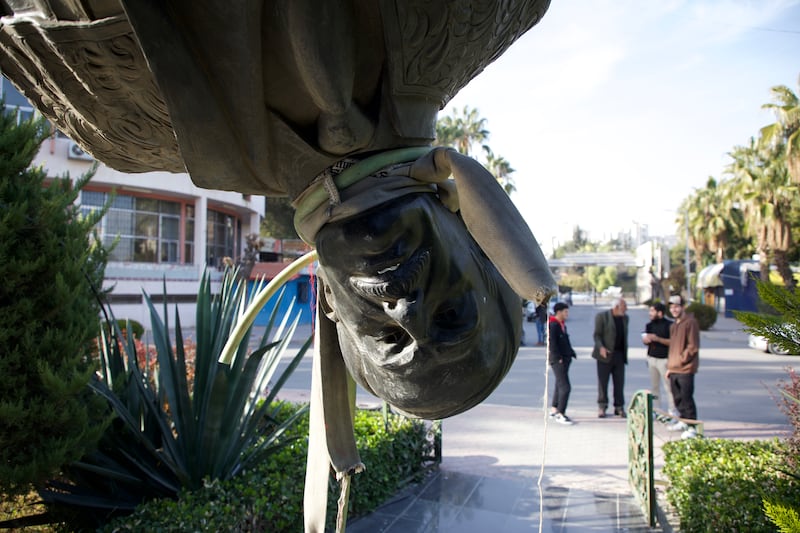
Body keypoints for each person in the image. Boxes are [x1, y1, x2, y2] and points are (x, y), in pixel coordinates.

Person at [665, 295, 701, 439]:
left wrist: (681, 360)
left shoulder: (690, 323)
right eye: (671, 307)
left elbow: (693, 347)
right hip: (673, 368)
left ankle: (692, 427)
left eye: (676, 307)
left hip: (685, 369)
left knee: (686, 398)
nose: (674, 310)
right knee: (678, 398)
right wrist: (670, 366)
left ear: (683, 307)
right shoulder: (674, 325)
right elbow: (673, 348)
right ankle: (683, 421)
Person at [592, 298, 629, 418]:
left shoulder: (625, 318)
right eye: (624, 306)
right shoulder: (602, 317)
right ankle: (602, 406)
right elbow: (597, 335)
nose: (626, 309)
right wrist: (601, 347)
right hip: (605, 355)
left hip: (619, 355)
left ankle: (619, 407)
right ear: (616, 307)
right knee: (603, 383)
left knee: (619, 383)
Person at [642, 302, 677, 416]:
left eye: (652, 311)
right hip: (652, 359)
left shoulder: (669, 325)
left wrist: (658, 339)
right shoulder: (649, 325)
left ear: (660, 313)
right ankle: (656, 409)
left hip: (665, 360)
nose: (650, 313)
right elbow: (645, 339)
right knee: (654, 386)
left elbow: (673, 342)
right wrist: (646, 340)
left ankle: (672, 411)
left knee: (669, 387)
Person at [547, 302, 577, 425]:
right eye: (565, 312)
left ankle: (554, 408)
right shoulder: (553, 325)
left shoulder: (561, 324)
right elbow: (552, 343)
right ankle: (561, 413)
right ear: (558, 312)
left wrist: (571, 352)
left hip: (565, 358)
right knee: (565, 387)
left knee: (559, 384)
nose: (567, 314)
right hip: (558, 360)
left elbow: (565, 340)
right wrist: (558, 357)